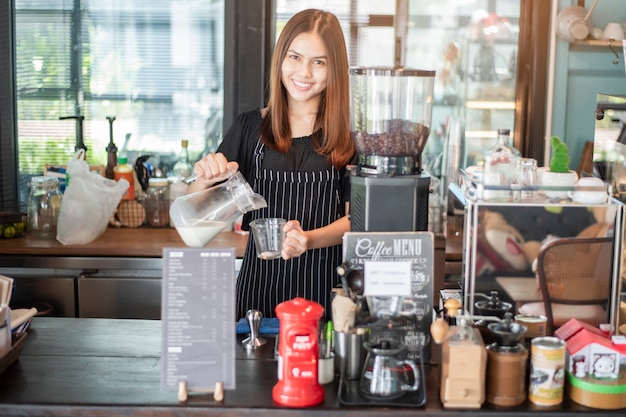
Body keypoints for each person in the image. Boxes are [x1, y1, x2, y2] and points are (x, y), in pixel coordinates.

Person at [188, 9, 355, 319]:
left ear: (335, 69)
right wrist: (203, 178)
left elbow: (353, 221)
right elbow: (197, 212)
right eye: (295, 57)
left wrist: (308, 239)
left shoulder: (346, 139)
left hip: (323, 288)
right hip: (258, 289)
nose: (304, 72)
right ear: (281, 59)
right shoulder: (250, 127)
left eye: (318, 62)